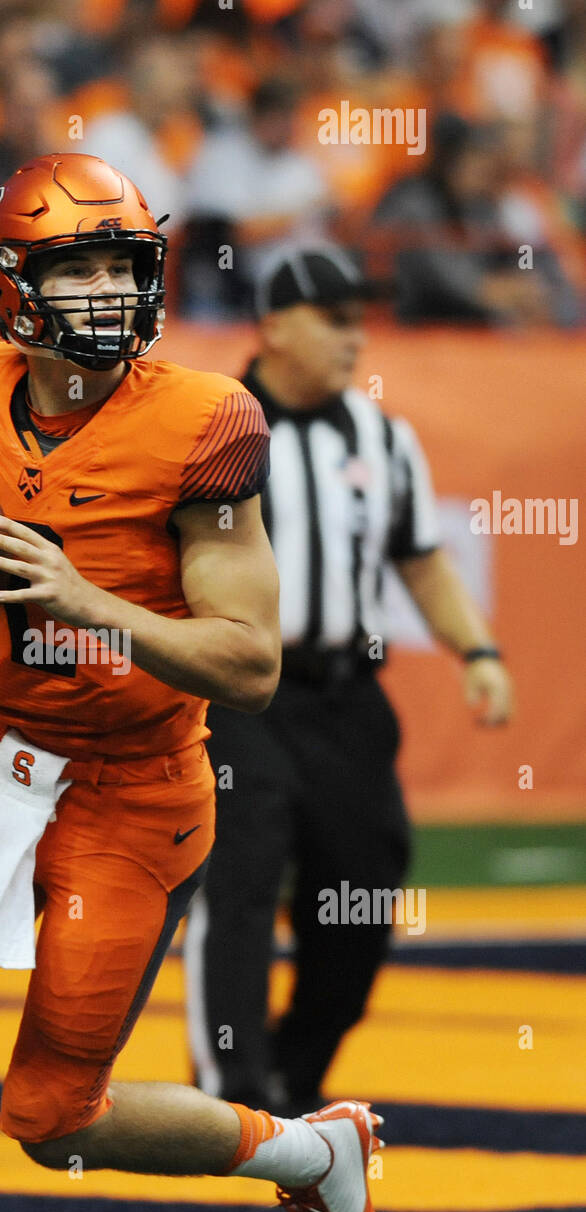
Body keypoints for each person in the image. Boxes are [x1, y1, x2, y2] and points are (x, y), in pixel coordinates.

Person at [0, 154, 385, 1212]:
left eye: (123, 265)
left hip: (137, 791)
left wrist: (90, 603)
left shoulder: (201, 420)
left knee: (52, 1119)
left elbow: (252, 665)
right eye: (77, 267)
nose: (109, 292)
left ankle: (308, 1151)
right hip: (2, 767)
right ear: (12, 287)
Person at [184, 243, 514, 1119]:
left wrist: (477, 653)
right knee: (241, 886)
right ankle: (235, 1097)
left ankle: (299, 1070)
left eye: (360, 321)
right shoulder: (208, 424)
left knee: (363, 888)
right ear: (274, 326)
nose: (355, 340)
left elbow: (422, 562)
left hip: (345, 693)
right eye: (335, 320)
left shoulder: (380, 436)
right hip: (240, 690)